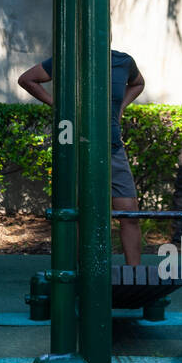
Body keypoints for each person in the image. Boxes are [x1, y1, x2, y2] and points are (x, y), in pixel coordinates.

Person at [17, 50, 147, 264]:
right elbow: (27, 79)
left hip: (112, 147)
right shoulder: (69, 58)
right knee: (79, 211)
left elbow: (138, 83)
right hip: (76, 147)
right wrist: (59, 106)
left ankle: (134, 273)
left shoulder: (123, 62)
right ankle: (79, 273)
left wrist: (121, 107)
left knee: (129, 213)